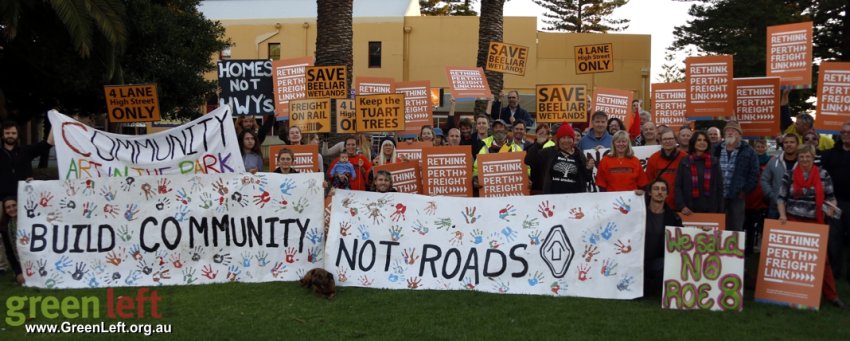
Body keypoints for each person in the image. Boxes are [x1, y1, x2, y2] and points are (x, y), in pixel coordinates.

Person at [777, 144, 845, 308]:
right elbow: (781, 198)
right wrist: (782, 215)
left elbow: (831, 197)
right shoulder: (790, 174)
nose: (805, 159)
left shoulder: (823, 174)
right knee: (792, 259)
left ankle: (832, 295)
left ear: (813, 157)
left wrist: (832, 208)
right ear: (798, 158)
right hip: (793, 220)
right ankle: (790, 293)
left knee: (822, 261)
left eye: (808, 156)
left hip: (816, 222)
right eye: (801, 157)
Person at [713, 121, 759, 231]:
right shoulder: (715, 149)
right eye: (727, 130)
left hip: (737, 196)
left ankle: (733, 248)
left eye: (733, 130)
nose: (730, 132)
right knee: (716, 225)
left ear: (739, 134)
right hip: (717, 195)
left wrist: (744, 190)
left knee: (735, 227)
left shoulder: (749, 151)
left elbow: (754, 173)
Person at [526, 123, 593, 194]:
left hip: (574, 198)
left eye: (569, 138)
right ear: (558, 139)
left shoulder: (579, 155)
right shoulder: (549, 152)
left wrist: (588, 169)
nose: (566, 141)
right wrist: (538, 144)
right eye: (563, 138)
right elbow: (529, 161)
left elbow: (586, 179)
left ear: (573, 139)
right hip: (553, 197)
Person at [644, 179, 682, 296]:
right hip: (637, 260)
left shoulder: (674, 218)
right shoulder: (637, 211)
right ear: (649, 193)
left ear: (667, 194)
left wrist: (705, 232)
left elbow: (685, 237)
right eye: (656, 189)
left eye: (663, 190)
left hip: (658, 262)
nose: (659, 192)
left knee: (667, 263)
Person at [821, 121, 850, 280]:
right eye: (843, 132)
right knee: (834, 238)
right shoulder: (831, 153)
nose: (845, 135)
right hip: (834, 203)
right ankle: (834, 272)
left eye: (848, 132)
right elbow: (823, 176)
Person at [1, 120, 54, 199]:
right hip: (2, 200)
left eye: (13, 133)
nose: (10, 135)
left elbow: (49, 143)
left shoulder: (25, 151)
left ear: (18, 135)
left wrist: (55, 121)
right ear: (2, 135)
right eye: (7, 133)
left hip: (24, 197)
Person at [675, 131, 724, 214]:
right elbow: (678, 186)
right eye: (699, 140)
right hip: (688, 209)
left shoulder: (714, 162)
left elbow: (720, 187)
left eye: (705, 140)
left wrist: (720, 209)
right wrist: (682, 206)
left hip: (711, 209)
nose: (702, 142)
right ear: (693, 142)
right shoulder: (684, 162)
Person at [473, 119, 525, 186]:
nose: (498, 129)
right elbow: (476, 168)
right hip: (491, 188)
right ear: (492, 131)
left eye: (501, 127)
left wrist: (527, 177)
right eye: (496, 127)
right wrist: (476, 178)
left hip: (511, 188)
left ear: (506, 130)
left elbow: (525, 167)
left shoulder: (516, 148)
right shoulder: (485, 149)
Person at [646, 130, 686, 209]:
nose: (668, 141)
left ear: (675, 140)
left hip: (680, 204)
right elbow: (649, 181)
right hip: (659, 204)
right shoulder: (653, 158)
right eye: (665, 139)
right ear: (660, 142)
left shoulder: (684, 157)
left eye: (671, 139)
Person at [762, 134, 799, 219]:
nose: (789, 144)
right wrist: (772, 196)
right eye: (786, 142)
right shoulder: (773, 161)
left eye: (792, 142)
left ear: (797, 144)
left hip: (797, 209)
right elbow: (764, 179)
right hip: (775, 207)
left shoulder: (803, 162)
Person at [743, 139, 770, 255]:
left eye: (762, 147)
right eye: (758, 146)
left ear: (766, 148)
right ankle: (748, 247)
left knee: (762, 227)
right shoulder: (749, 160)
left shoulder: (770, 161)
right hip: (749, 197)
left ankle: (762, 249)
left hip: (763, 198)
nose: (760, 149)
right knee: (749, 225)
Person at [1, 197, 23, 285]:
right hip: (21, 262)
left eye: (14, 205)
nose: (12, 209)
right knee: (22, 280)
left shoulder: (29, 222)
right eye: (8, 207)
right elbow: (10, 253)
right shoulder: (5, 228)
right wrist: (18, 272)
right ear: (5, 210)